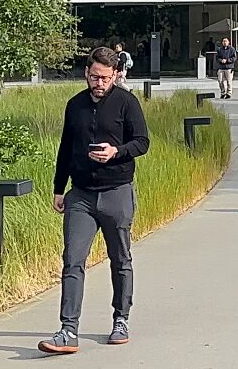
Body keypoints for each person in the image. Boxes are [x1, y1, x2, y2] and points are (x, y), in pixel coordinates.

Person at [42, 47, 151, 355]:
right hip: (81, 194)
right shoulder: (74, 105)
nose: (99, 83)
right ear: (86, 73)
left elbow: (142, 142)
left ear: (115, 75)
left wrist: (115, 151)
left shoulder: (127, 103)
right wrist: (58, 188)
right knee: (72, 260)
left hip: (116, 191)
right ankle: (68, 330)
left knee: (120, 258)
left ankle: (120, 319)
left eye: (104, 78)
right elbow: (66, 148)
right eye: (93, 76)